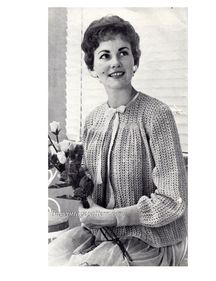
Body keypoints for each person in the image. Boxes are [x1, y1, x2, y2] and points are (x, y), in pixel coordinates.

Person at [48, 15, 188, 266]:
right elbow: (91, 186)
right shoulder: (93, 120)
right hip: (102, 235)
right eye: (105, 55)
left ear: (135, 60)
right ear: (92, 67)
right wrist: (75, 179)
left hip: (152, 240)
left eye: (123, 52)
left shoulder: (157, 115)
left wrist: (113, 218)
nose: (115, 62)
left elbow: (173, 200)